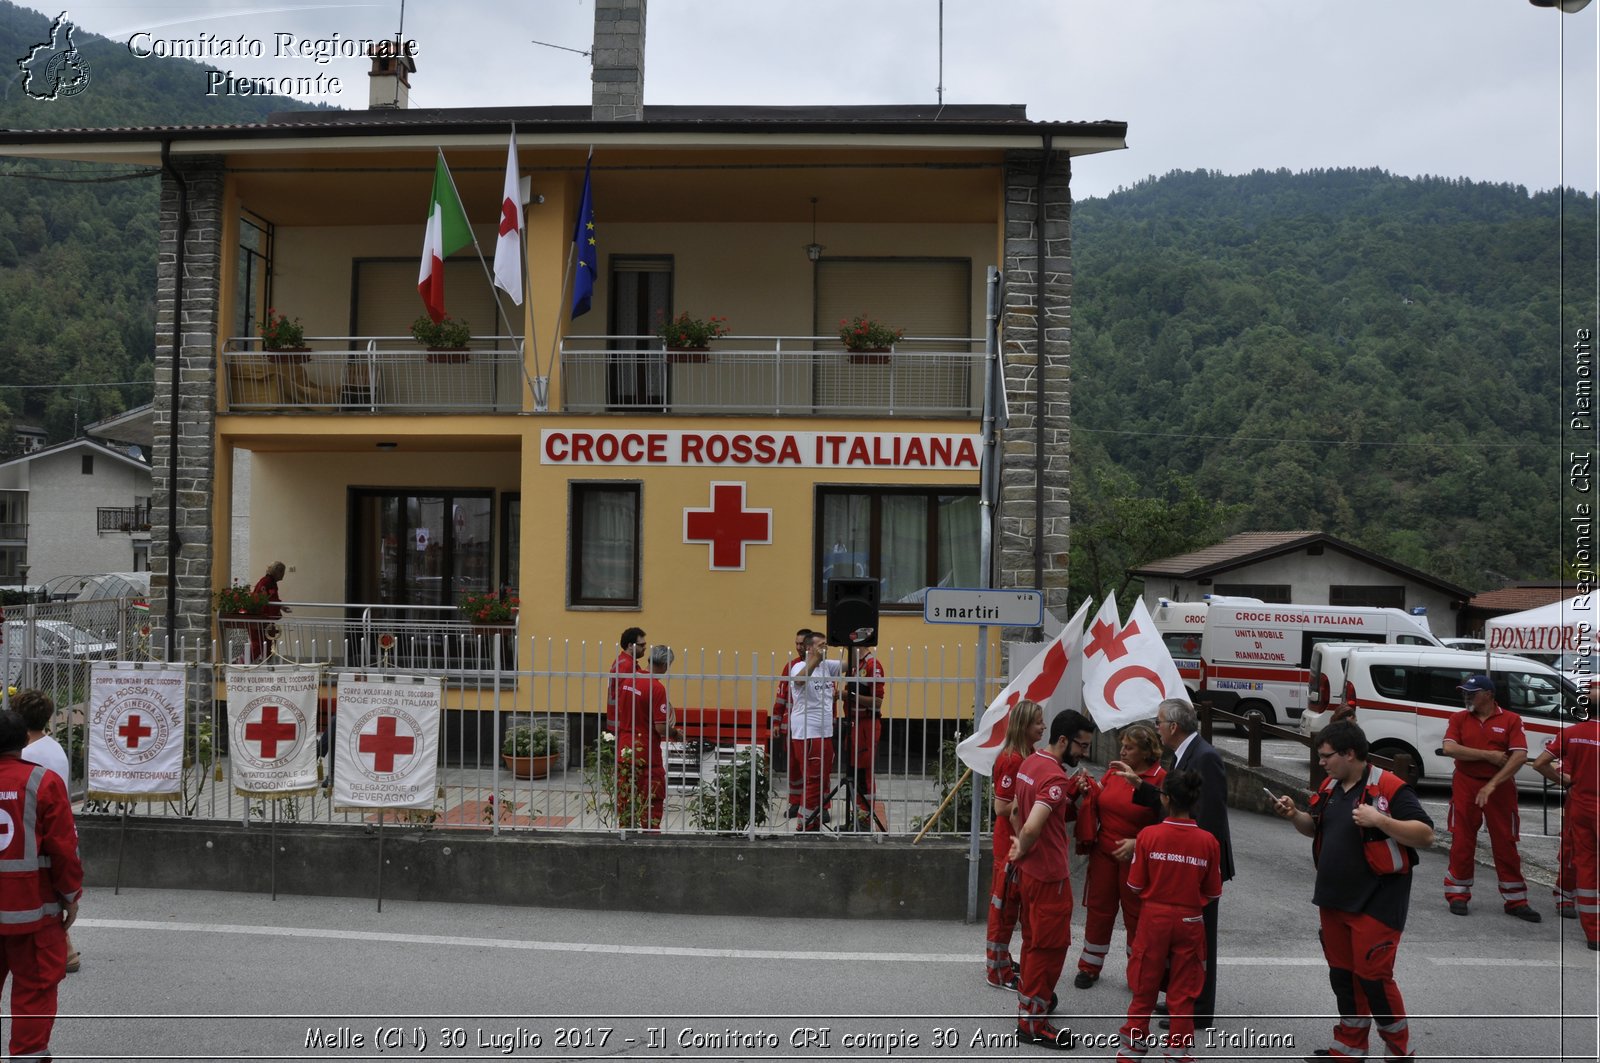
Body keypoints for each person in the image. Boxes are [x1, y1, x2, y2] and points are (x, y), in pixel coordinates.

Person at [1271, 720, 1435, 1061]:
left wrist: (1381, 821)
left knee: (1374, 978)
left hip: (1378, 901)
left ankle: (1400, 1052)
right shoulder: (1331, 786)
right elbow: (1313, 828)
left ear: (1349, 754)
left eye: (1327, 756)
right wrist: (1294, 815)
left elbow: (1425, 835)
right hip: (1333, 899)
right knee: (1344, 978)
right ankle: (1348, 1049)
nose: (1322, 763)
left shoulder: (1390, 787)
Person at [1117, 769, 1221, 1063]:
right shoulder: (1209, 841)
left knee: (1144, 985)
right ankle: (1178, 1051)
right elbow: (1212, 892)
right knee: (1184, 989)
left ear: (1164, 799)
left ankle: (1131, 1049)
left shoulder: (1148, 836)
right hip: (1190, 920)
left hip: (1154, 918)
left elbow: (1135, 885)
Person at [1007, 709, 1095, 1050]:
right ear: (1064, 740)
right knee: (1050, 948)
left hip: (1031, 874)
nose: (1084, 753)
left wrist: (1022, 852)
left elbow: (1016, 812)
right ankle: (1033, 1023)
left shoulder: (1030, 763)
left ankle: (1032, 1003)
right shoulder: (1054, 778)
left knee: (1032, 942)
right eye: (1082, 746)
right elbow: (1031, 825)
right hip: (1049, 878)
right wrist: (1023, 846)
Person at [0, 708, 82, 1063]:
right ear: (25, 741)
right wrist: (71, 897)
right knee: (34, 989)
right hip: (31, 913)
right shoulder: (43, 782)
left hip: (28, 912)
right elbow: (63, 849)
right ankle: (27, 1057)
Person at [1150, 697, 1233, 1031]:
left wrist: (1197, 866)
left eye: (1158, 722)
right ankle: (1180, 999)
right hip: (1189, 860)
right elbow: (1175, 802)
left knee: (1199, 940)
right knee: (1183, 940)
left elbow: (1208, 816)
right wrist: (1139, 788)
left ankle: (1198, 1009)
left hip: (1200, 864)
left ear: (1173, 726)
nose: (1156, 728)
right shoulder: (1184, 753)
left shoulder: (1205, 757)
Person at [1075, 721, 1166, 990]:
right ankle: (1089, 966)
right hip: (1104, 855)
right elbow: (1103, 799)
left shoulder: (1159, 779)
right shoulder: (1115, 772)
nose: (1122, 752)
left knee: (1136, 917)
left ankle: (1137, 973)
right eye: (1122, 746)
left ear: (1147, 751)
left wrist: (1139, 843)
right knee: (1099, 910)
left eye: (1130, 748)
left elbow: (1167, 823)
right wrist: (1088, 788)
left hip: (1138, 859)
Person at [1441, 674, 1539, 921]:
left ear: (1489, 694)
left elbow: (1519, 756)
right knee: (1462, 839)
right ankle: (1458, 894)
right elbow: (1450, 748)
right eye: (1465, 692)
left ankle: (1516, 899)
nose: (1467, 697)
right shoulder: (1459, 718)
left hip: (1500, 788)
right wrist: (1489, 756)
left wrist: (1493, 784)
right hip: (1466, 783)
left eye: (1472, 693)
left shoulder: (1511, 719)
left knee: (1505, 842)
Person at [14, 691, 78, 974]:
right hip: (62, 827)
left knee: (40, 898)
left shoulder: (26, 754)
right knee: (52, 894)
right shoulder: (52, 746)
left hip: (36, 831)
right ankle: (67, 950)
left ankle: (65, 951)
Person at [985, 698, 1045, 991]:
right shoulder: (1012, 759)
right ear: (1024, 726)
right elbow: (1001, 808)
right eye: (1038, 722)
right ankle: (997, 971)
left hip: (1015, 844)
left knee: (1009, 907)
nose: (1043, 726)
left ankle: (1002, 959)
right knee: (1004, 910)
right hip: (1008, 845)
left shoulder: (1027, 755)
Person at [1529, 712, 1600, 949]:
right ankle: (1564, 896)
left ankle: (1594, 933)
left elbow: (1540, 763)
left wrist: (1568, 783)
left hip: (1580, 805)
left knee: (1586, 864)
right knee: (1578, 858)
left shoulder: (1571, 733)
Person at [614, 645, 681, 831]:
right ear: (665, 664)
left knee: (625, 799)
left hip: (625, 748)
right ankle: (649, 841)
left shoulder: (628, 680)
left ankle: (625, 836)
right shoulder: (657, 688)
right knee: (652, 802)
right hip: (647, 754)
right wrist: (676, 734)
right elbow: (660, 727)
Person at [788, 632, 841, 831]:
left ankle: (815, 819)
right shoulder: (799, 666)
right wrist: (816, 657)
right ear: (810, 648)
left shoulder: (828, 666)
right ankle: (805, 823)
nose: (825, 648)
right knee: (812, 779)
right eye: (821, 645)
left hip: (825, 731)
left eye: (826, 644)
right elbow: (800, 681)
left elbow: (850, 664)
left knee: (822, 778)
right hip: (808, 732)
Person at [843, 644, 886, 830]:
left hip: (866, 725)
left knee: (864, 774)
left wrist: (848, 695)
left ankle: (865, 819)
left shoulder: (872, 665)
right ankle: (856, 818)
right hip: (853, 724)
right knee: (853, 772)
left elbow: (877, 702)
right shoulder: (855, 665)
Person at [773, 629, 810, 819]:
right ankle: (796, 803)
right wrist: (777, 722)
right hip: (792, 726)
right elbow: (781, 697)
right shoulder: (790, 667)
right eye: (796, 643)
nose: (797, 647)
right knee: (794, 768)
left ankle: (819, 806)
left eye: (801, 644)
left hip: (813, 728)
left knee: (812, 769)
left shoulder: (821, 667)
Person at [605, 627, 648, 732]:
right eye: (641, 645)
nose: (645, 648)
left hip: (618, 719)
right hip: (624, 722)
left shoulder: (622, 661)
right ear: (630, 645)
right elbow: (628, 695)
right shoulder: (627, 665)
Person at [247, 560, 287, 662]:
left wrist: (280, 606)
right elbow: (263, 599)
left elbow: (271, 599)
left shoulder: (270, 582)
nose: (283, 575)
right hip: (260, 619)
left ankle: (266, 667)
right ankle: (241, 664)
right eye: (282, 572)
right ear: (277, 572)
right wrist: (279, 607)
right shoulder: (266, 582)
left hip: (266, 620)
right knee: (259, 645)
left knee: (268, 644)